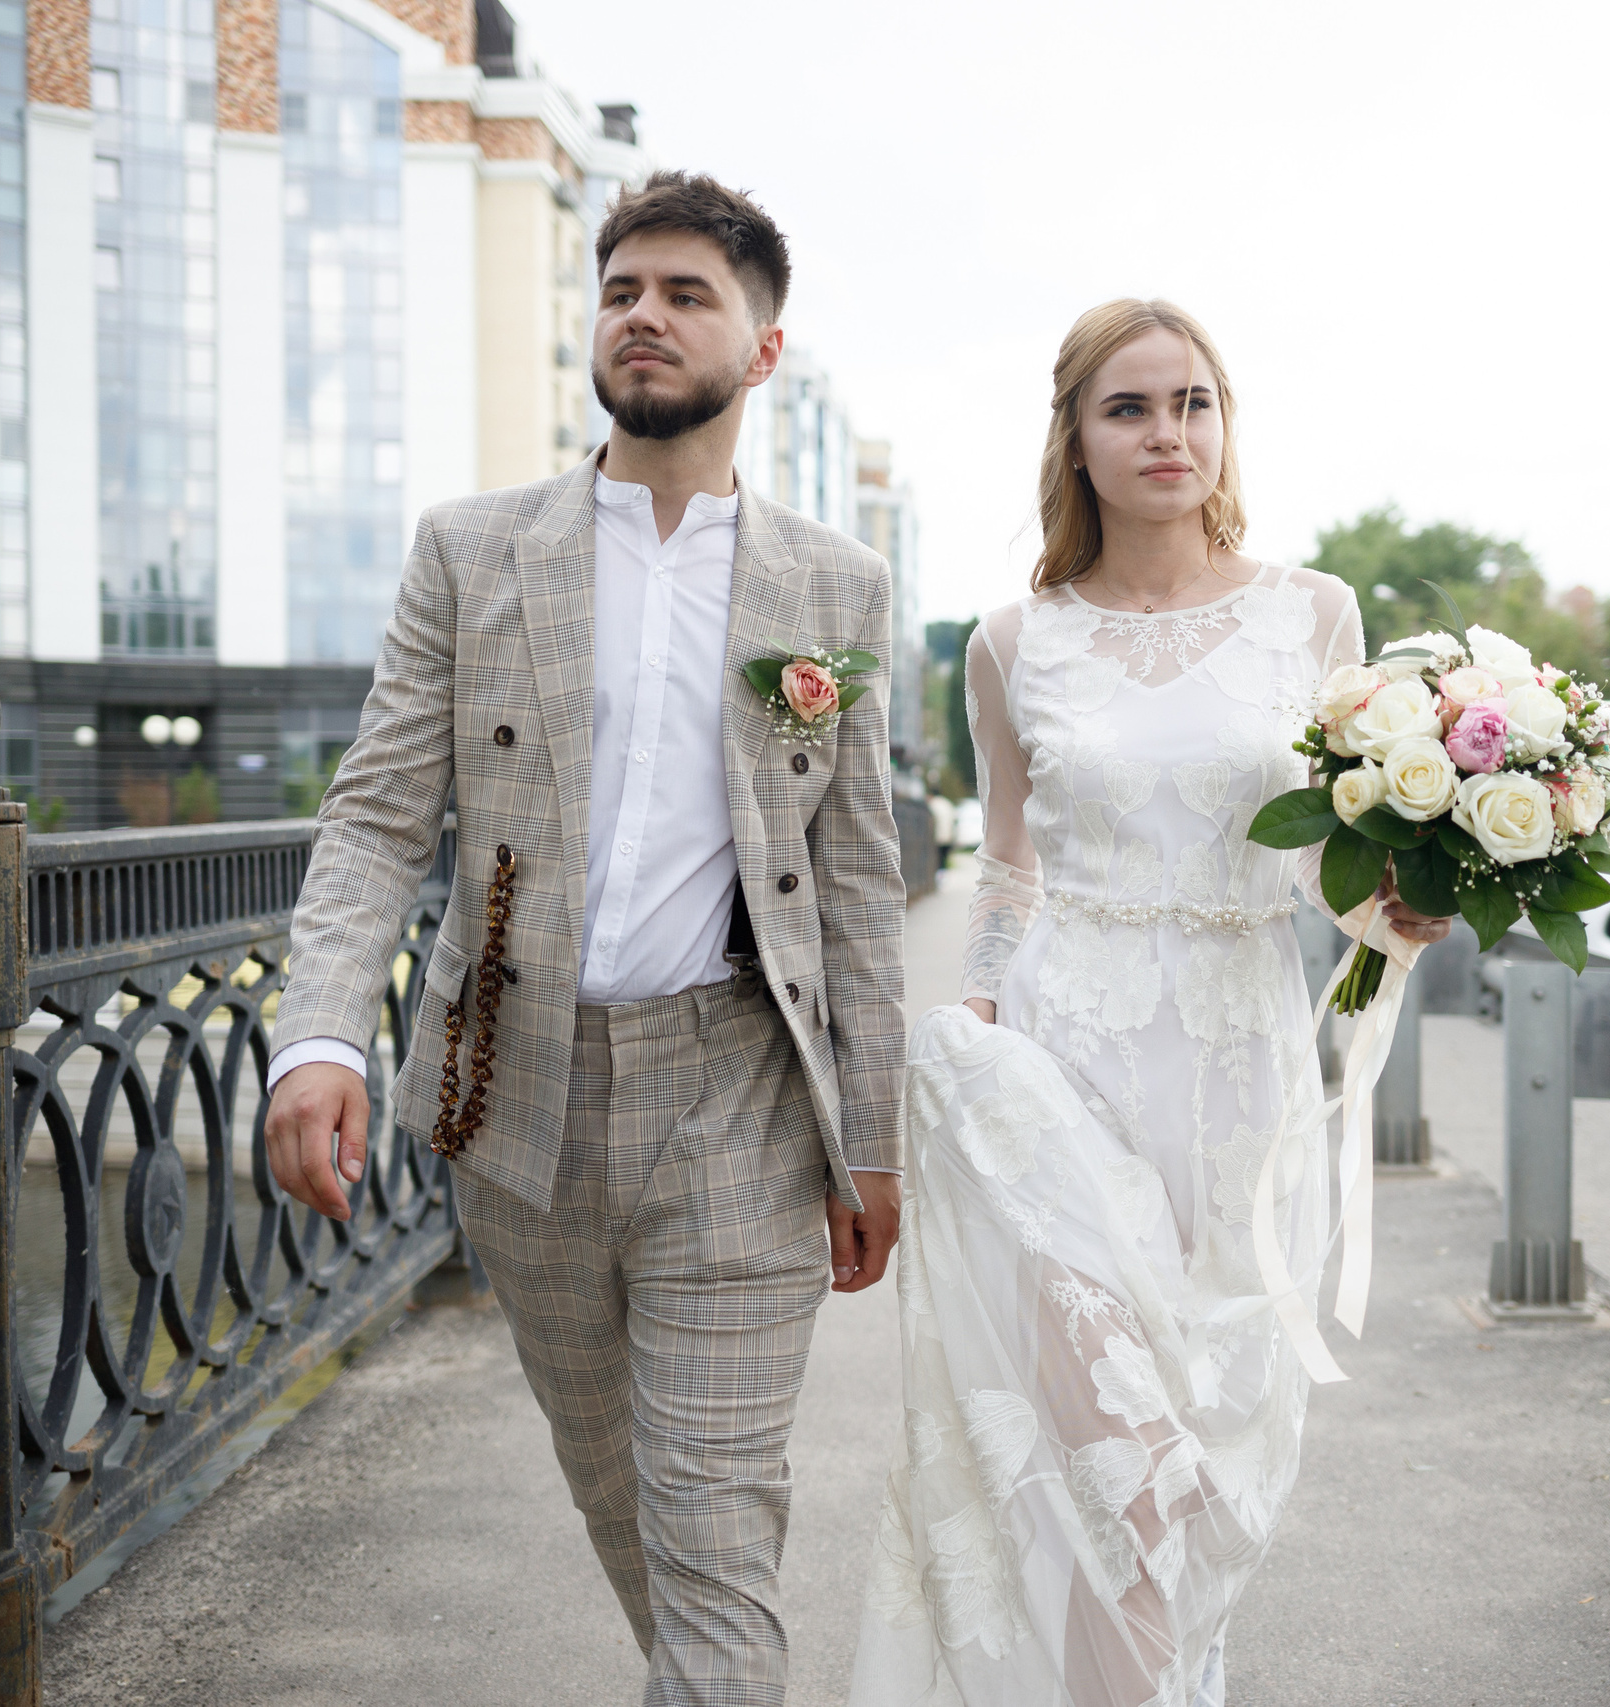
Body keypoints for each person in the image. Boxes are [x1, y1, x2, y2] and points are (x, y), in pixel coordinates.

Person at [261, 171, 907, 1707]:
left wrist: (871, 1140)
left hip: (736, 1099)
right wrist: (320, 1033)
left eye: (688, 294)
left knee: (714, 1518)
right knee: (621, 1490)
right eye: (623, 289)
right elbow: (371, 816)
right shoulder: (473, 553)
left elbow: (861, 879)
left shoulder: (837, 586)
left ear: (762, 353)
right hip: (516, 1097)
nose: (645, 315)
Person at [848, 300, 1448, 1707]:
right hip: (1058, 1080)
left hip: (1240, 1077)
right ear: (1076, 437)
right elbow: (1007, 870)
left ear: (1224, 424)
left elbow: (1324, 862)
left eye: (1192, 402)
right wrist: (974, 1038)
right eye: (1130, 407)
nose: (1166, 432)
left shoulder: (1314, 613)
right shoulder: (1011, 642)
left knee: (1215, 1450)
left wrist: (1398, 913)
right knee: (1113, 1462)